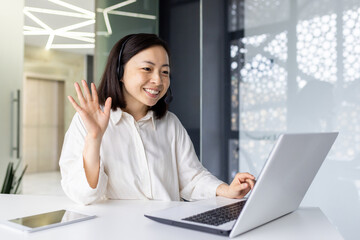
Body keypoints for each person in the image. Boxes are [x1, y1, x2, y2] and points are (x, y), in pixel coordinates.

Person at [59, 33, 255, 205]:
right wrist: (94, 138)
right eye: (147, 69)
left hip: (166, 229)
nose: (158, 80)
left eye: (165, 72)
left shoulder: (170, 123)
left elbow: (192, 178)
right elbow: (82, 194)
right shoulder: (87, 122)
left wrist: (226, 190)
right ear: (120, 72)